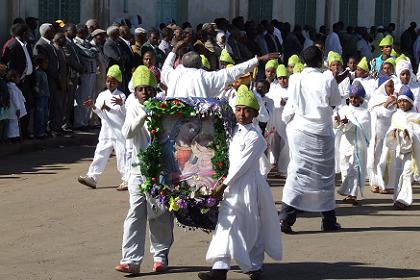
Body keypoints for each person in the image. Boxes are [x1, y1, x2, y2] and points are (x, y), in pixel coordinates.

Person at [199, 85, 282, 280]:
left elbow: (241, 166)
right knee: (226, 225)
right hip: (229, 186)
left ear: (254, 113)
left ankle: (254, 266)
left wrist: (223, 185)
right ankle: (219, 269)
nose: (241, 114)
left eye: (246, 110)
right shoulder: (232, 132)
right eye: (238, 109)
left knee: (250, 226)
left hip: (247, 186)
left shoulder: (255, 138)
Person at [116, 65, 173, 274]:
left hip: (160, 171)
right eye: (141, 89)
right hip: (138, 170)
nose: (145, 93)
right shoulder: (132, 107)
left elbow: (171, 139)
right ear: (135, 91)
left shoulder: (164, 107)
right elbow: (127, 133)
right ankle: (131, 260)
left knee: (159, 214)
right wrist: (143, 117)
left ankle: (160, 256)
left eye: (149, 89)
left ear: (154, 90)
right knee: (135, 212)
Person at [279, 46, 342, 234]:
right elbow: (334, 101)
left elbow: (291, 106)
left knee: (297, 172)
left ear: (303, 61)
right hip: (321, 130)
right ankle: (328, 221)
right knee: (324, 177)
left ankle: (286, 218)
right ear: (321, 60)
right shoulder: (327, 77)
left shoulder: (295, 78)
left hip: (300, 130)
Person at [162, 41, 280, 98]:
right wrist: (258, 60)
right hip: (196, 129)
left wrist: (174, 50)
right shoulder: (203, 76)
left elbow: (166, 67)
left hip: (173, 125)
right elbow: (232, 72)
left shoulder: (174, 74)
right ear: (200, 65)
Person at [77, 65, 127, 190]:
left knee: (122, 156)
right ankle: (92, 177)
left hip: (119, 132)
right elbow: (99, 112)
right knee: (100, 153)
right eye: (108, 81)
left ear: (118, 83)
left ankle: (127, 179)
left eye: (113, 82)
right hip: (106, 132)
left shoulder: (121, 96)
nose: (110, 84)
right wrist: (93, 106)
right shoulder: (102, 95)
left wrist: (120, 106)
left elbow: (123, 115)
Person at [380, 86, 420, 209]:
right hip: (398, 150)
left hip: (411, 152)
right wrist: (393, 133)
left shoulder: (416, 117)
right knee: (399, 174)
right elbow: (390, 130)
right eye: (400, 101)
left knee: (407, 173)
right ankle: (398, 197)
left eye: (405, 101)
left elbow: (417, 132)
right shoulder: (396, 115)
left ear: (411, 102)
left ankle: (404, 200)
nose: (402, 103)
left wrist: (410, 133)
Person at [334, 81, 371, 205]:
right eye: (351, 97)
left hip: (357, 146)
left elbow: (361, 129)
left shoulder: (365, 113)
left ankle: (352, 194)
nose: (353, 100)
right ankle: (348, 191)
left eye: (356, 98)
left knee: (354, 170)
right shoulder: (344, 109)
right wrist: (338, 121)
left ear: (361, 99)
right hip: (344, 144)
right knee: (345, 169)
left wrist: (348, 123)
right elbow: (336, 125)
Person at [1, 23, 34, 139]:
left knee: (26, 108)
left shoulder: (26, 45)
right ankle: (13, 135)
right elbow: (8, 65)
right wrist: (14, 79)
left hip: (27, 81)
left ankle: (24, 132)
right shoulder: (12, 45)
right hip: (16, 83)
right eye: (28, 32)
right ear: (24, 33)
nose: (30, 35)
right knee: (15, 110)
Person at [368, 76, 397, 194]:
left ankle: (385, 184)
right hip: (377, 133)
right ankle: (375, 182)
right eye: (389, 86)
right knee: (376, 158)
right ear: (382, 87)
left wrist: (393, 102)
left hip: (389, 132)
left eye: (393, 86)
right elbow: (376, 112)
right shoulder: (376, 99)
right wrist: (386, 104)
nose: (392, 88)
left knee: (388, 157)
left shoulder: (395, 98)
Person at [73, 24, 98, 130]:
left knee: (89, 98)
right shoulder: (76, 42)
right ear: (79, 32)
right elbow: (88, 53)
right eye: (84, 31)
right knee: (82, 98)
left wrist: (93, 51)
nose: (87, 33)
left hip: (92, 72)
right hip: (84, 74)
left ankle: (86, 120)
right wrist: (93, 51)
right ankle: (79, 122)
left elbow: (95, 51)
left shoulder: (86, 42)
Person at [266, 64, 289, 176]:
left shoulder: (292, 89)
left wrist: (287, 103)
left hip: (287, 123)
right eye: (280, 78)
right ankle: (273, 165)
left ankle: (283, 170)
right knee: (273, 144)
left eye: (285, 77)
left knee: (286, 144)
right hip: (275, 121)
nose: (283, 80)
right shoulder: (274, 88)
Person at [5, 70, 26, 141]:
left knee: (15, 123)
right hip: (14, 109)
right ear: (12, 78)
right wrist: (18, 109)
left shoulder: (12, 87)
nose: (19, 79)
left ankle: (15, 136)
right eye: (18, 77)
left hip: (13, 109)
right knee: (13, 124)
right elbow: (15, 99)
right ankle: (12, 137)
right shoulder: (12, 88)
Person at [33, 55, 50, 139]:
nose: (46, 64)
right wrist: (39, 94)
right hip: (40, 97)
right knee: (40, 115)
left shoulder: (44, 73)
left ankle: (43, 131)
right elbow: (36, 86)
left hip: (46, 96)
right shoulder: (38, 73)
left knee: (45, 115)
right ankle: (39, 132)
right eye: (45, 63)